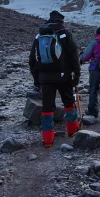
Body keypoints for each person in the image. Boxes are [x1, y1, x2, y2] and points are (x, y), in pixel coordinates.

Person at [29, 11, 81, 147]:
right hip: (64, 76)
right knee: (69, 102)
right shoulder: (64, 34)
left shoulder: (40, 35)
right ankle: (72, 130)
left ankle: (47, 139)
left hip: (45, 78)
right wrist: (77, 74)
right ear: (61, 21)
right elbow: (74, 55)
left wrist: (37, 80)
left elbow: (32, 60)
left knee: (47, 107)